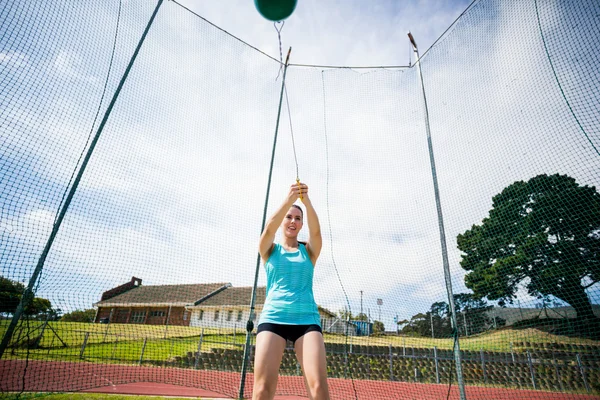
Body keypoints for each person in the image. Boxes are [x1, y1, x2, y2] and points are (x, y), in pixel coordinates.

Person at [253, 182, 330, 400]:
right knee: (262, 390)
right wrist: (290, 198)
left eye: (298, 218)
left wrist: (305, 200)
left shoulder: (309, 251)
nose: (293, 221)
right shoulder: (269, 249)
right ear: (282, 221)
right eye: (289, 217)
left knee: (318, 389)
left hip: (306, 321)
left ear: (301, 224)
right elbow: (268, 229)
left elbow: (316, 231)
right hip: (273, 318)